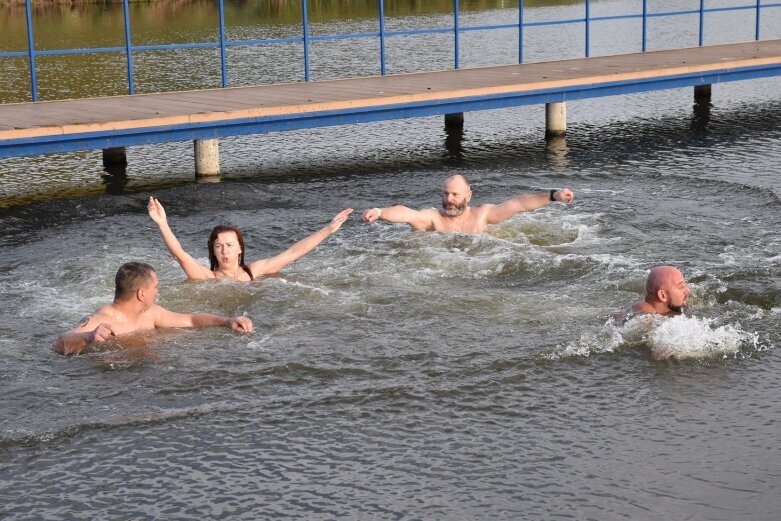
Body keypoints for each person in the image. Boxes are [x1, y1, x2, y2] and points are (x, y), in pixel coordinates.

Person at [53, 262, 253, 356]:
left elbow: (190, 320)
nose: (157, 291)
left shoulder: (150, 313)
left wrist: (227, 321)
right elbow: (59, 343)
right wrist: (89, 337)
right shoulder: (100, 320)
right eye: (155, 287)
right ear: (141, 294)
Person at [148, 196, 353, 281]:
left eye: (229, 245)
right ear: (213, 250)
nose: (224, 251)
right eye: (219, 246)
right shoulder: (205, 278)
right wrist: (162, 223)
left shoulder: (254, 272)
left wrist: (328, 229)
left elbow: (293, 253)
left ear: (240, 248)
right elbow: (180, 255)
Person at [361, 174, 574, 233]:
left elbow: (518, 204)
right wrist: (380, 211)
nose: (449, 200)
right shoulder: (434, 219)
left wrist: (552, 195)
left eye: (455, 194)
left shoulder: (482, 215)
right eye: (445, 194)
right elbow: (406, 213)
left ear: (468, 196)